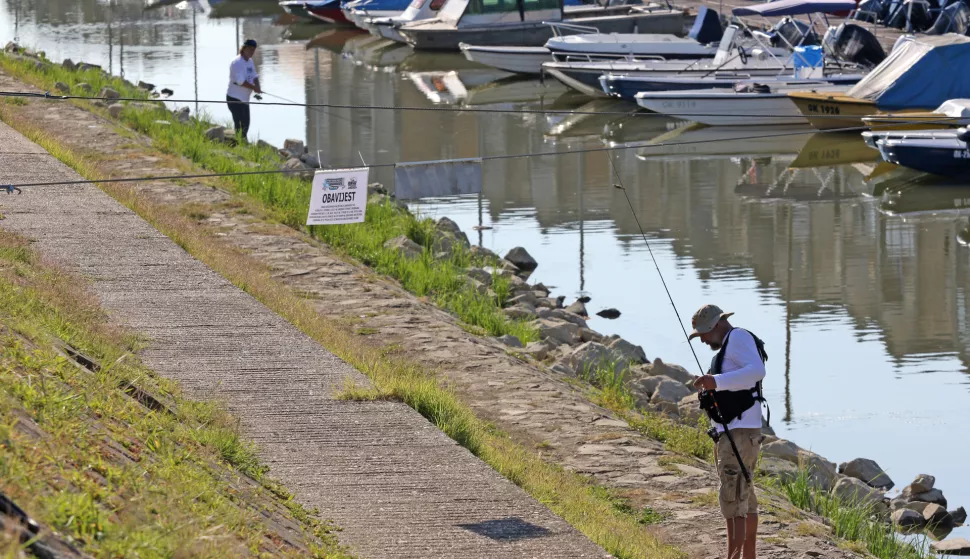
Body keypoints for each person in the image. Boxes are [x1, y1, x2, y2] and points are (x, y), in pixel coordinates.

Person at [690, 304, 767, 559]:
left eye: (702, 333)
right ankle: (748, 557)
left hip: (739, 432)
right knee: (745, 499)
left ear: (715, 326)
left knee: (732, 500)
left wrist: (716, 382)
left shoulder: (737, 337)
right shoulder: (731, 344)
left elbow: (757, 371)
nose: (701, 339)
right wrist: (712, 386)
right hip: (740, 432)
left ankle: (734, 557)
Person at [226, 39, 262, 141]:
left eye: (254, 50)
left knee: (246, 123)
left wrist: (258, 86)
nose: (252, 52)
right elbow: (241, 81)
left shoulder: (250, 61)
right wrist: (254, 88)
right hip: (234, 97)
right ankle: (238, 144)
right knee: (239, 123)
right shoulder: (236, 62)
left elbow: (254, 76)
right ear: (244, 48)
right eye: (250, 49)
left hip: (245, 99)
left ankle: (242, 143)